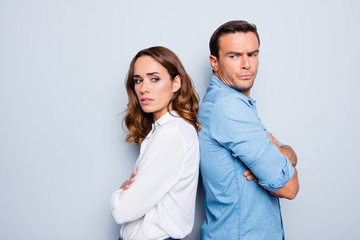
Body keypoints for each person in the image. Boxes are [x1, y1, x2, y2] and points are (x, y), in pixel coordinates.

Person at [198, 20, 300, 239]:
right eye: (234, 56)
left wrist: (285, 155)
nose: (247, 65)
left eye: (252, 54)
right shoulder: (227, 107)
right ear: (214, 62)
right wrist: (281, 159)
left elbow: (288, 152)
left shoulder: (237, 105)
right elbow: (289, 188)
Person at [111, 46, 201, 240]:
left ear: (176, 83)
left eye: (154, 79)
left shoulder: (173, 133)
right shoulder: (160, 130)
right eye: (138, 80)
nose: (143, 88)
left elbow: (122, 211)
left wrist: (119, 193)